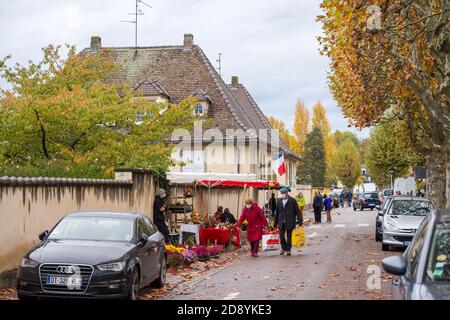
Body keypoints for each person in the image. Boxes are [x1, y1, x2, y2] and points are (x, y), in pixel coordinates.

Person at [274, 187, 303, 256]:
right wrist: (275, 223)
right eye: (281, 193)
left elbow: (297, 212)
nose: (282, 194)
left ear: (287, 193)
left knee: (289, 236)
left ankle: (288, 249)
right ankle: (283, 248)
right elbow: (277, 212)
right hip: (281, 221)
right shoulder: (279, 201)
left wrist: (300, 222)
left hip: (290, 221)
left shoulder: (292, 200)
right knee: (281, 236)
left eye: (283, 193)